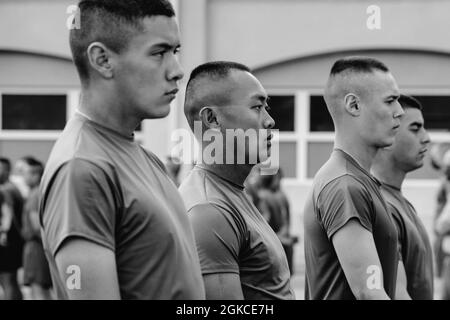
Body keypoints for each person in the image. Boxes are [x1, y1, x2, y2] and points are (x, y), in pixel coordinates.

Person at [39, 0, 204, 300]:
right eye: (159, 53)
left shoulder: (145, 158)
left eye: (175, 51)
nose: (177, 71)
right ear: (102, 60)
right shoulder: (82, 168)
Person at [179, 61, 294, 299]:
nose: (270, 121)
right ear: (212, 119)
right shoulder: (209, 210)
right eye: (256, 107)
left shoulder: (231, 191)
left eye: (267, 107)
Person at [303, 56, 404, 300]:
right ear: (354, 106)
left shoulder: (358, 180)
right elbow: (369, 292)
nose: (399, 112)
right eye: (390, 101)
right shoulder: (345, 185)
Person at [372, 94, 433, 299]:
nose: (426, 137)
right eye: (415, 128)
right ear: (387, 133)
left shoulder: (399, 202)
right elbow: (397, 293)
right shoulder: (382, 206)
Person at [21, 157, 52, 300]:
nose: (23, 178)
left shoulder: (35, 194)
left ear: (35, 175)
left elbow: (36, 226)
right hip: (38, 247)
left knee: (38, 289)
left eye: (25, 174)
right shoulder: (40, 192)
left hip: (36, 248)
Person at [0, 157, 24, 300]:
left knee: (7, 280)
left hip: (7, 242)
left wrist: (3, 233)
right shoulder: (13, 188)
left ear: (7, 170)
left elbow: (8, 217)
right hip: (12, 241)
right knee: (11, 281)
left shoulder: (6, 190)